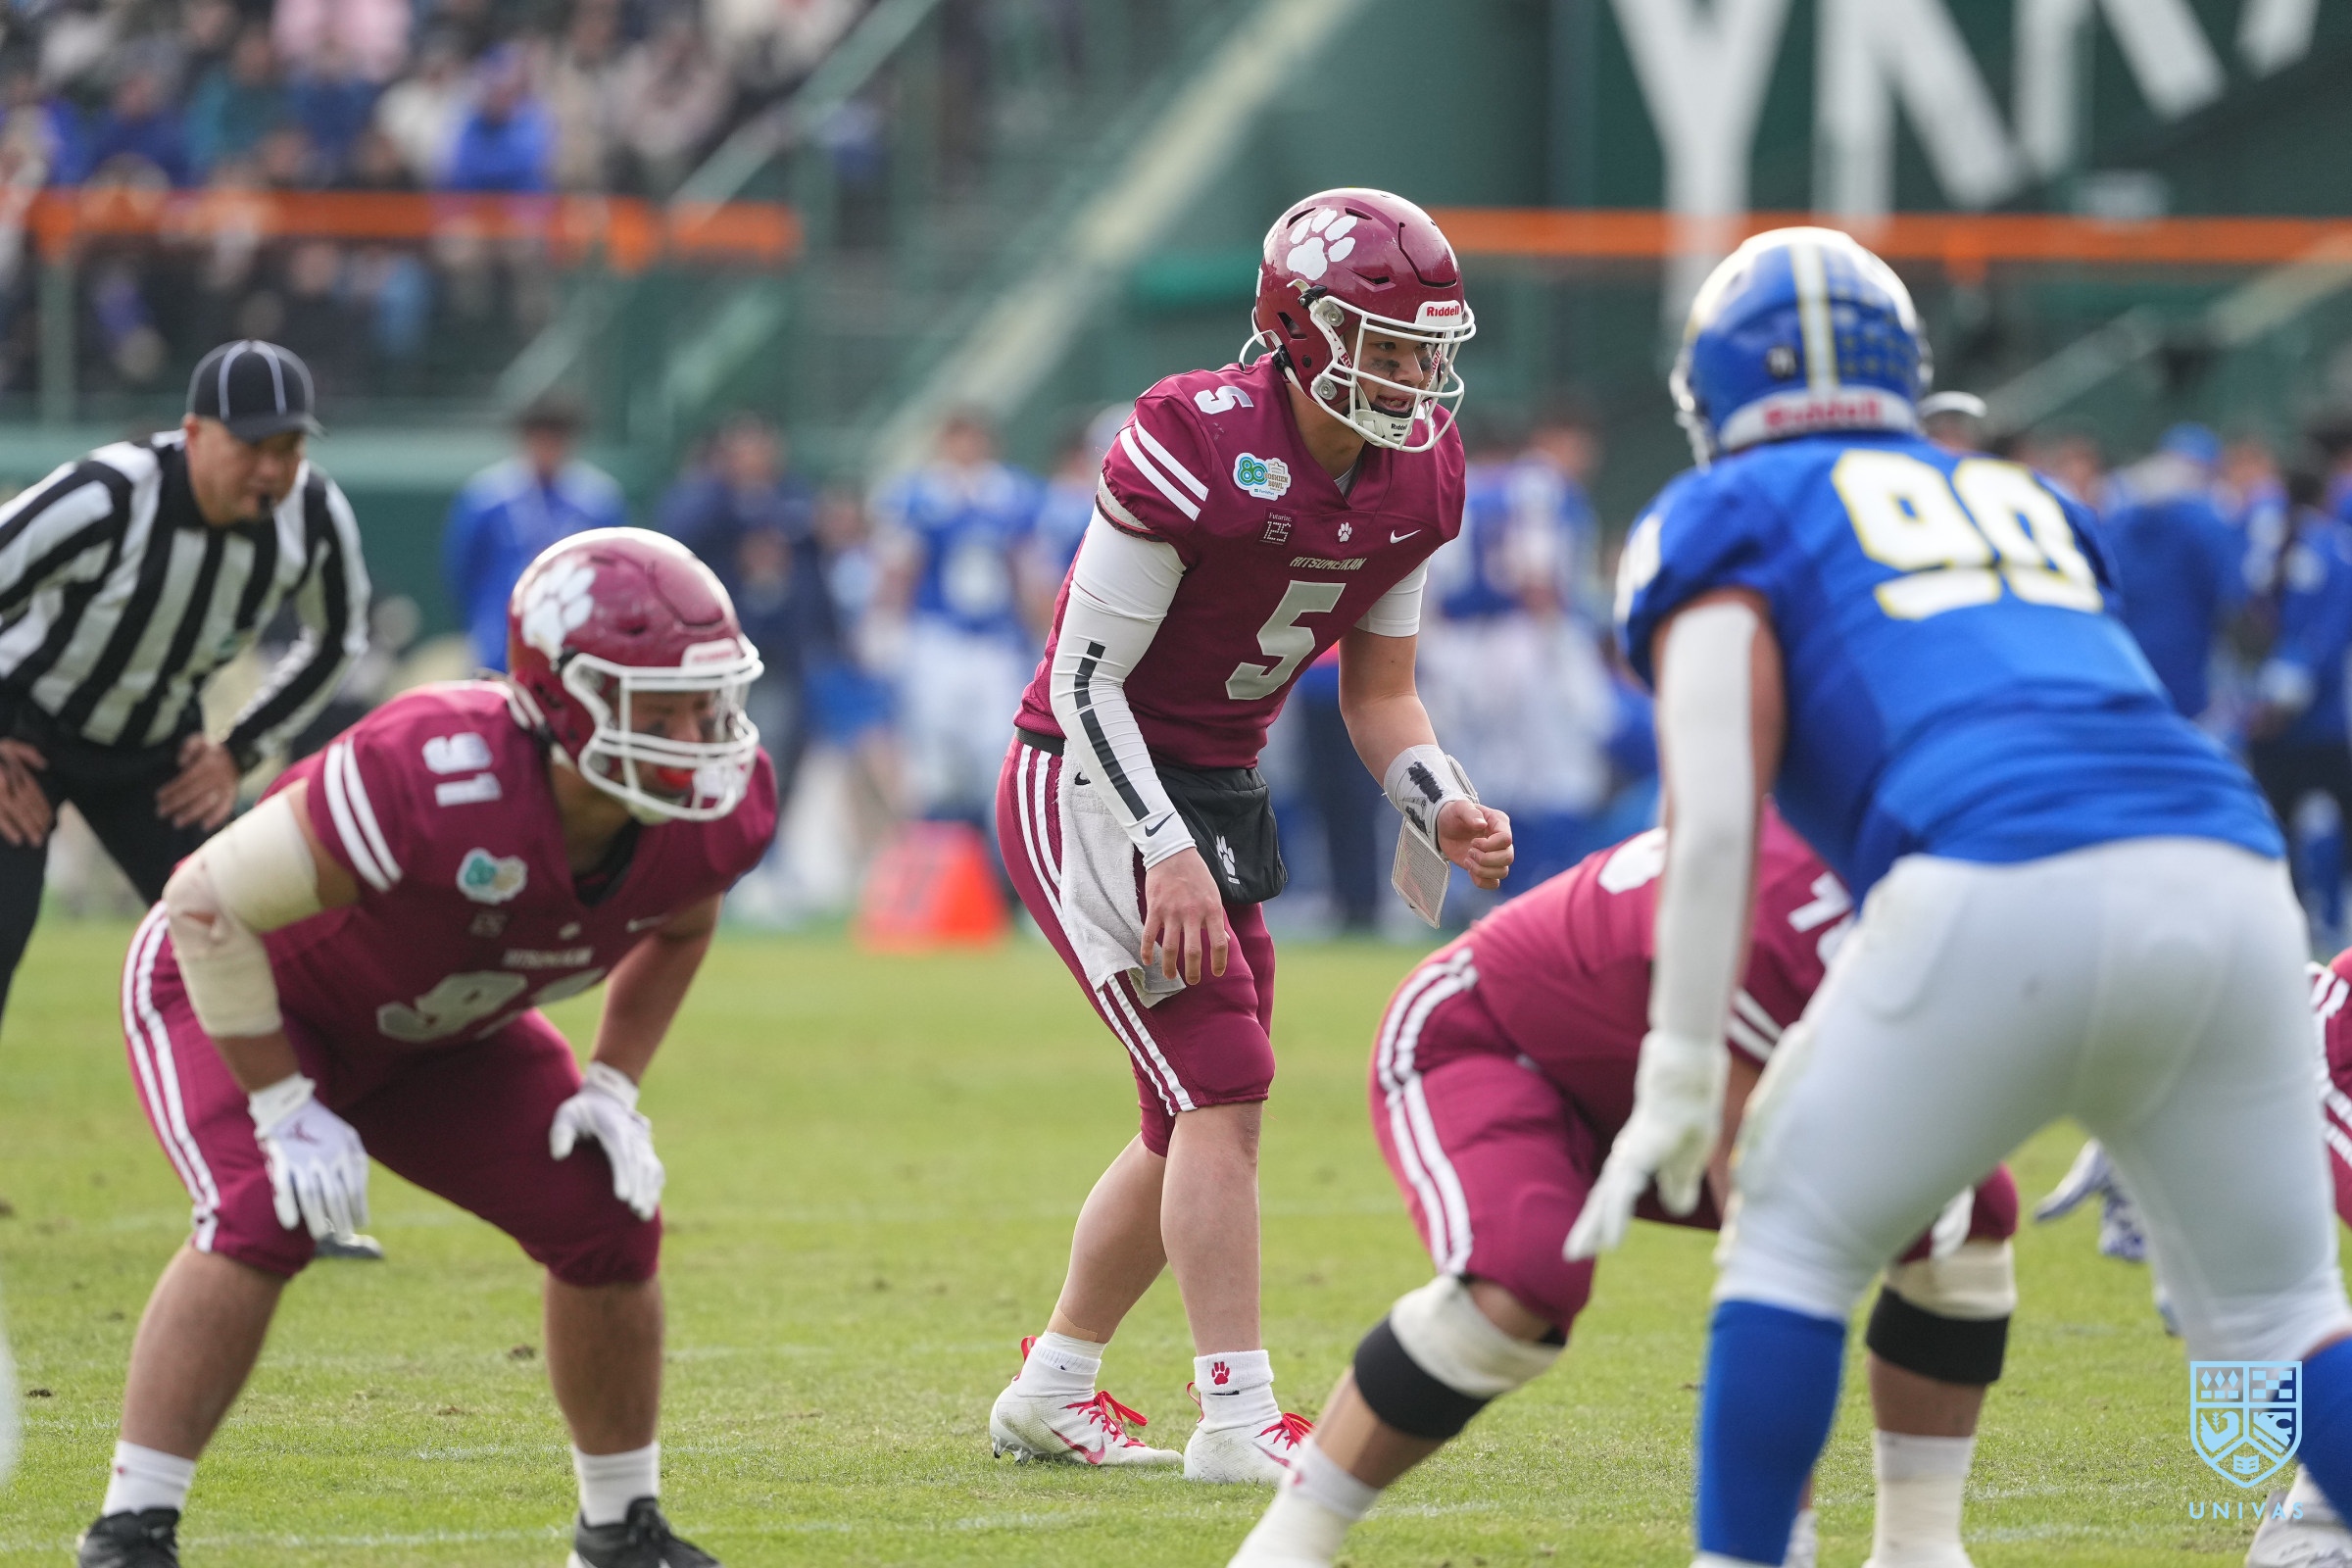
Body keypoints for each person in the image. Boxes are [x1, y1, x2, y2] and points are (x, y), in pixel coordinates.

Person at [1581, 226, 2346, 1568]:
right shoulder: (2019, 498)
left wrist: (1684, 1062)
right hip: (2226, 868)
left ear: (1716, 391)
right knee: (2284, 1315)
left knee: (1789, 1246)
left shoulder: (1723, 510)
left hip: (1997, 871)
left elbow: (1716, 818)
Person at [78, 529, 775, 1568]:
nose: (695, 738)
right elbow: (205, 905)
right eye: (659, 709)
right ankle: (130, 1530)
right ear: (564, 699)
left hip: (437, 1029)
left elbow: (682, 920)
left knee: (604, 1214)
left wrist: (613, 1083)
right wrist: (282, 1103)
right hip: (249, 993)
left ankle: (618, 1530)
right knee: (263, 1209)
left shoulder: (714, 806)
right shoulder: (434, 769)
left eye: (706, 703)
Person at [987, 188, 1513, 1482]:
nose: (1413, 378)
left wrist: (1436, 798)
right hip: (1088, 779)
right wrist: (1164, 849)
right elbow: (1083, 685)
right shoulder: (1194, 435)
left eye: (1426, 351)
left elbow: (1381, 697)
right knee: (1222, 1082)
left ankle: (1051, 1388)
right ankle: (1235, 1415)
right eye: (1386, 345)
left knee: (1190, 1112)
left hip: (1217, 783)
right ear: (1299, 325)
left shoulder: (1422, 473)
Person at [1230, 812, 2020, 1568]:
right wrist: (1778, 1539)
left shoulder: (1951, 895)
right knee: (1518, 1288)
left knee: (1969, 1218)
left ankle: (1921, 1549)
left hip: (1657, 1068)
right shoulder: (1789, 918)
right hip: (1492, 1039)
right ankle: (1286, 1547)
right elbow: (1770, 1256)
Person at [0, 340, 369, 1032]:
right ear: (194, 434)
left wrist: (238, 750)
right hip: (25, 734)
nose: (271, 469)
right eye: (252, 446)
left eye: (288, 448)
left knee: (248, 934)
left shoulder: (314, 514)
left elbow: (337, 638)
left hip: (157, 749)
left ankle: (275, 1101)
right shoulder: (107, 496)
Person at [1420, 405, 1617, 888]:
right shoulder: (1539, 483)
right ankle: (1548, 886)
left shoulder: (1474, 485)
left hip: (1463, 643)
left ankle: (1488, 893)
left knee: (1489, 777)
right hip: (1528, 638)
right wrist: (1562, 648)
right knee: (1561, 775)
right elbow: (1536, 577)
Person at [873, 413, 1044, 825]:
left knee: (997, 745)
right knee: (935, 747)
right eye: (959, 439)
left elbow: (1027, 570)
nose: (968, 448)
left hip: (995, 640)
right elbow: (900, 568)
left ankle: (990, 845)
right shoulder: (919, 495)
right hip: (938, 636)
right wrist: (887, 624)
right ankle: (938, 842)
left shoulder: (1011, 492)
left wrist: (1041, 628)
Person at [442, 393, 626, 673]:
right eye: (540, 438)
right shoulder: (486, 499)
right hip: (499, 644)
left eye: (557, 439)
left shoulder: (598, 501)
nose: (547, 449)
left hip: (575, 647)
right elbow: (463, 571)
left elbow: (615, 575)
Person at [2243, 464, 2352, 935]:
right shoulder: (2306, 547)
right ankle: (2308, 919)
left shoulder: (2276, 544)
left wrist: (2272, 697)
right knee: (2285, 824)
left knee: (2287, 825)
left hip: (2293, 717)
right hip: (2308, 720)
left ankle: (2307, 919)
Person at [2101, 423, 2245, 721]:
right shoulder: (2205, 522)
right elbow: (2231, 594)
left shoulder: (2119, 521)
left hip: (2127, 670)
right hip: (2188, 675)